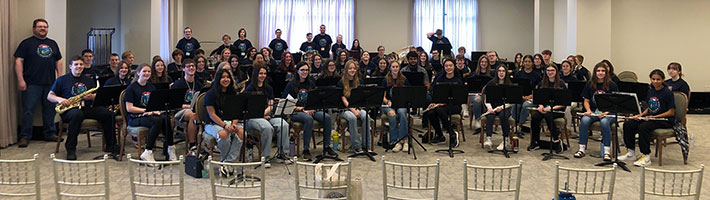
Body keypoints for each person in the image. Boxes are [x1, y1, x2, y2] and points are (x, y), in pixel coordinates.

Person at [47, 56, 117, 160]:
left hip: (86, 107)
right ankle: (70, 149)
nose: (79, 67)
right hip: (70, 109)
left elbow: (96, 96)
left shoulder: (88, 80)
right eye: (76, 64)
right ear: (70, 66)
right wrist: (60, 99)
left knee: (108, 114)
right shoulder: (62, 80)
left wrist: (92, 97)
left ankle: (111, 146)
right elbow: (50, 96)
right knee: (77, 115)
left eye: (81, 64)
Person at [15, 18, 62, 147]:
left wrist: (59, 78)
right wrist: (20, 80)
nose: (43, 29)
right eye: (40, 26)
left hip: (50, 83)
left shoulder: (53, 43)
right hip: (31, 83)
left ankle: (50, 133)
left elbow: (58, 61)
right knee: (28, 111)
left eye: (45, 27)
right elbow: (19, 61)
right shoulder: (26, 43)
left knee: (50, 110)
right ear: (34, 28)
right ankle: (25, 136)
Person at [618, 69, 676, 167]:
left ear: (663, 80)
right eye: (653, 79)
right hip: (651, 117)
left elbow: (671, 112)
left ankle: (646, 156)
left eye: (658, 79)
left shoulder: (667, 92)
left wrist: (653, 117)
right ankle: (631, 152)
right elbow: (649, 108)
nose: (655, 81)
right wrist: (640, 115)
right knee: (629, 124)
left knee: (643, 127)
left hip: (664, 120)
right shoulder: (651, 90)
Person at [282, 62, 336, 160]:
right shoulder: (291, 85)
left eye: (306, 70)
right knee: (308, 119)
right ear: (297, 71)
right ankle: (306, 149)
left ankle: (327, 146)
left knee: (327, 117)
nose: (305, 72)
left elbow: (316, 99)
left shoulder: (311, 83)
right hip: (296, 111)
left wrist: (312, 108)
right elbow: (286, 103)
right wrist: (302, 109)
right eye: (302, 70)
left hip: (311, 109)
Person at [124, 64, 177, 162]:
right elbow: (129, 108)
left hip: (149, 115)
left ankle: (170, 147)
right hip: (135, 117)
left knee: (165, 118)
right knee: (157, 121)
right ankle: (148, 151)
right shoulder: (131, 88)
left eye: (148, 71)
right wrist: (145, 111)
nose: (147, 73)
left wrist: (156, 110)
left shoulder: (151, 87)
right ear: (138, 73)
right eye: (144, 71)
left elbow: (155, 104)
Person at [244, 65, 291, 165]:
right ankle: (265, 157)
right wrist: (262, 116)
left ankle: (282, 154)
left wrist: (264, 114)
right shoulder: (250, 88)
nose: (263, 75)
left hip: (267, 115)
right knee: (267, 128)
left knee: (284, 125)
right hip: (252, 118)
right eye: (260, 73)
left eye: (265, 73)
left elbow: (270, 104)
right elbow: (250, 108)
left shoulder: (268, 88)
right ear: (256, 74)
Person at [574, 62, 618, 161]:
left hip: (608, 112)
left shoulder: (612, 85)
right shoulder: (590, 84)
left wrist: (605, 113)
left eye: (603, 71)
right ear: (595, 72)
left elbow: (615, 103)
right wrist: (588, 110)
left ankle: (606, 151)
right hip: (594, 111)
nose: (600, 73)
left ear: (606, 72)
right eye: (598, 71)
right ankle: (581, 149)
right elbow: (586, 100)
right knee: (584, 121)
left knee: (604, 122)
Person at [203, 68, 244, 167]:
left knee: (242, 132)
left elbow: (236, 112)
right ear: (218, 79)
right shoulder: (210, 94)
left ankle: (226, 163)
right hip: (212, 123)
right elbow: (212, 115)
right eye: (223, 77)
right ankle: (227, 164)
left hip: (230, 122)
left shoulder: (233, 93)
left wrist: (234, 123)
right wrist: (225, 126)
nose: (226, 79)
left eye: (228, 77)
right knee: (223, 134)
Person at [528, 64, 567, 153]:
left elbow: (563, 103)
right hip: (544, 108)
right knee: (535, 117)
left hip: (557, 109)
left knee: (548, 116)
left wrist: (551, 108)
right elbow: (538, 98)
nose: (550, 72)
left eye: (552, 70)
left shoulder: (561, 84)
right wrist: (541, 106)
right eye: (548, 70)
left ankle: (556, 141)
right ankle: (535, 141)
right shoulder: (542, 83)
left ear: (556, 72)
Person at [423, 59, 462, 147]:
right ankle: (441, 135)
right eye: (446, 66)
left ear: (454, 67)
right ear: (444, 68)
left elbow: (459, 98)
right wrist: (434, 103)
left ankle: (452, 133)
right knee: (431, 113)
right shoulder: (439, 79)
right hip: (440, 105)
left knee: (439, 110)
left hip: (454, 106)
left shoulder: (458, 81)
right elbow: (433, 92)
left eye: (450, 65)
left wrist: (443, 103)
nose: (448, 68)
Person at [337, 60, 371, 153]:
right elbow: (343, 99)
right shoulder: (341, 82)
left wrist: (358, 109)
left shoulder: (359, 81)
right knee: (352, 118)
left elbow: (362, 97)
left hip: (358, 107)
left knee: (366, 116)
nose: (352, 70)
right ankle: (357, 146)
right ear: (346, 70)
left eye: (354, 68)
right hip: (346, 109)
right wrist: (353, 110)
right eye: (350, 68)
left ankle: (366, 145)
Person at [170, 59, 202, 151]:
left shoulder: (198, 84)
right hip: (180, 111)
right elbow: (173, 103)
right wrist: (185, 106)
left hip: (194, 109)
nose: (191, 68)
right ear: (183, 69)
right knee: (193, 115)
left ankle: (202, 142)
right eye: (188, 66)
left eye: (193, 66)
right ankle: (192, 145)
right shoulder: (178, 84)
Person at [481, 65, 514, 150]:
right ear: (496, 72)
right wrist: (489, 108)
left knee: (503, 116)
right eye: (499, 71)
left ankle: (505, 140)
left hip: (505, 107)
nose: (501, 73)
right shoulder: (491, 83)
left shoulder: (509, 84)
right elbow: (485, 97)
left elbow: (510, 101)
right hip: (492, 107)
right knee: (490, 116)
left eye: (503, 71)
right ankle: (488, 139)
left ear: (506, 73)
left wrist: (502, 107)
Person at [381, 61, 410, 152]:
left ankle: (404, 140)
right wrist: (387, 101)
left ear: (399, 68)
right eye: (393, 67)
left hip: (401, 104)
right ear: (390, 68)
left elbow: (409, 93)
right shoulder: (385, 79)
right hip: (388, 105)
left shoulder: (404, 79)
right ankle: (395, 141)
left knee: (402, 112)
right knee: (392, 114)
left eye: (397, 66)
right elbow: (382, 95)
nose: (395, 68)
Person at [512, 55, 541, 135]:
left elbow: (537, 89)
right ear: (523, 63)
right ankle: (514, 124)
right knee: (515, 105)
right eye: (526, 61)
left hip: (532, 97)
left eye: (529, 61)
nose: (527, 63)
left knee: (525, 105)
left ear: (532, 63)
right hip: (520, 96)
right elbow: (516, 87)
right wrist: (522, 96)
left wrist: (530, 96)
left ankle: (520, 125)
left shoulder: (537, 75)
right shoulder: (518, 74)